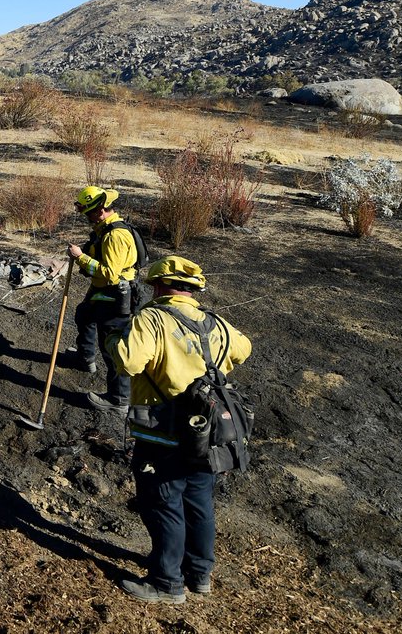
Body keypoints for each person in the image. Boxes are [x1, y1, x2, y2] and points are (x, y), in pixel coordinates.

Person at [107, 255, 252, 604]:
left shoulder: (153, 318)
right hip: (206, 435)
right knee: (199, 501)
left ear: (158, 286)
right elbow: (243, 348)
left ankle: (166, 583)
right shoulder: (215, 322)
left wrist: (114, 339)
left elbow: (128, 361)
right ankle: (199, 575)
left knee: (162, 502)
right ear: (192, 289)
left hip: (162, 429)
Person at [65, 185, 144, 412]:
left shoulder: (116, 236)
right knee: (84, 315)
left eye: (88, 213)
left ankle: (119, 399)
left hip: (115, 295)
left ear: (100, 210)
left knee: (112, 347)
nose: (86, 218)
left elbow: (110, 274)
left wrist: (81, 258)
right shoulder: (104, 228)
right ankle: (85, 358)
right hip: (100, 291)